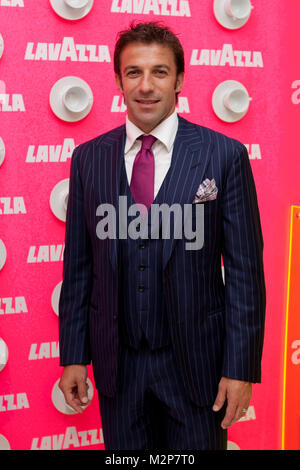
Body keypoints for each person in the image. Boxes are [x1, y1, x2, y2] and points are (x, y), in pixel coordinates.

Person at [58, 21, 266, 450]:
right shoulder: (88, 159)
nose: (146, 86)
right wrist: (74, 356)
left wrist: (240, 368)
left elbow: (245, 272)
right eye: (134, 72)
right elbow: (79, 267)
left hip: (199, 367)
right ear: (117, 80)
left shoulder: (224, 156)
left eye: (160, 72)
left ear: (180, 80)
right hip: (120, 366)